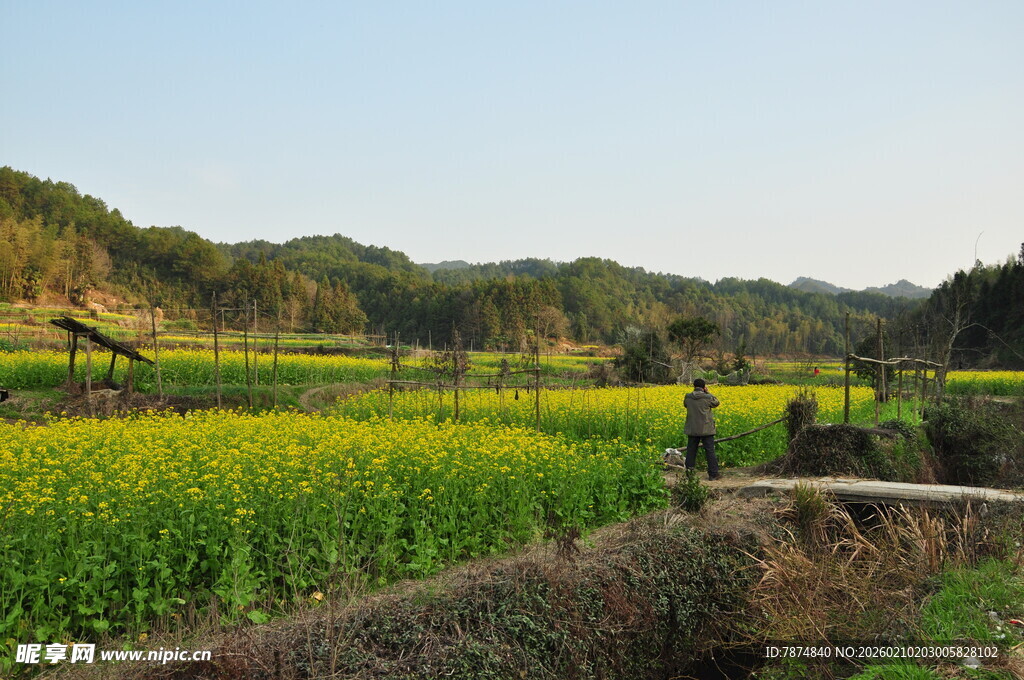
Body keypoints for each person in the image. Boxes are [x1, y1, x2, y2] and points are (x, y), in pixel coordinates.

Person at [683, 378, 720, 480]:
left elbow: (685, 405)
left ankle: (689, 475)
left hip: (692, 429)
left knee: (691, 451)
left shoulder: (688, 397)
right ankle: (713, 474)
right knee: (710, 451)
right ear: (704, 387)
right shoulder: (708, 397)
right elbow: (716, 402)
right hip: (706, 429)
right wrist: (708, 392)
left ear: (694, 387)